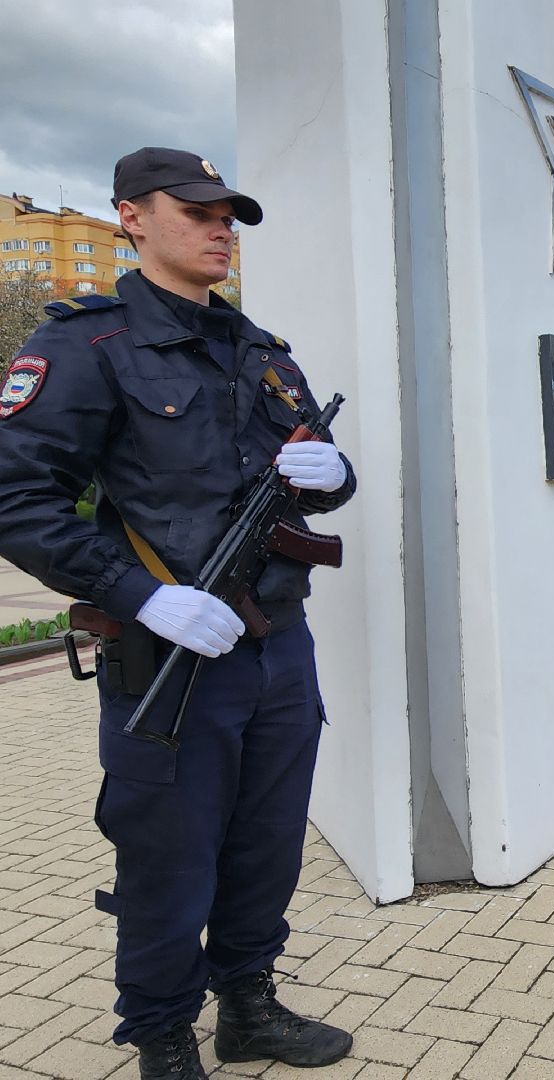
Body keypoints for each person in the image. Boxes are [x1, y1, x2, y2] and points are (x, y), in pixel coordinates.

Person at [0, 148, 357, 1079]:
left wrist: (337, 478)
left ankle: (247, 1003)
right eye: (195, 209)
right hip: (170, 656)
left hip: (279, 646)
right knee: (167, 857)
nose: (219, 227)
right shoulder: (89, 345)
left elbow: (304, 482)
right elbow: (16, 497)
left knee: (267, 841)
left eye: (228, 213)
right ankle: (160, 1032)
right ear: (132, 216)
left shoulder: (263, 351)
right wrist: (142, 596)